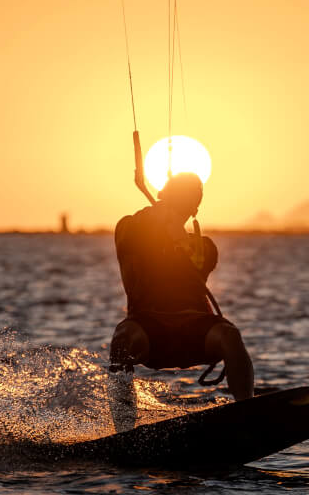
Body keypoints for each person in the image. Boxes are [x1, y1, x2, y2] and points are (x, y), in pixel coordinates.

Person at [109, 172, 254, 402]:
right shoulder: (130, 227)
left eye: (190, 201)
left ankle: (247, 409)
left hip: (194, 330)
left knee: (230, 335)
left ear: (194, 209)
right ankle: (124, 431)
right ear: (161, 196)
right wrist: (154, 219)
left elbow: (193, 263)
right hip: (149, 329)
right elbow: (131, 235)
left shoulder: (205, 247)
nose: (182, 206)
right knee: (123, 339)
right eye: (176, 198)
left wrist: (176, 236)